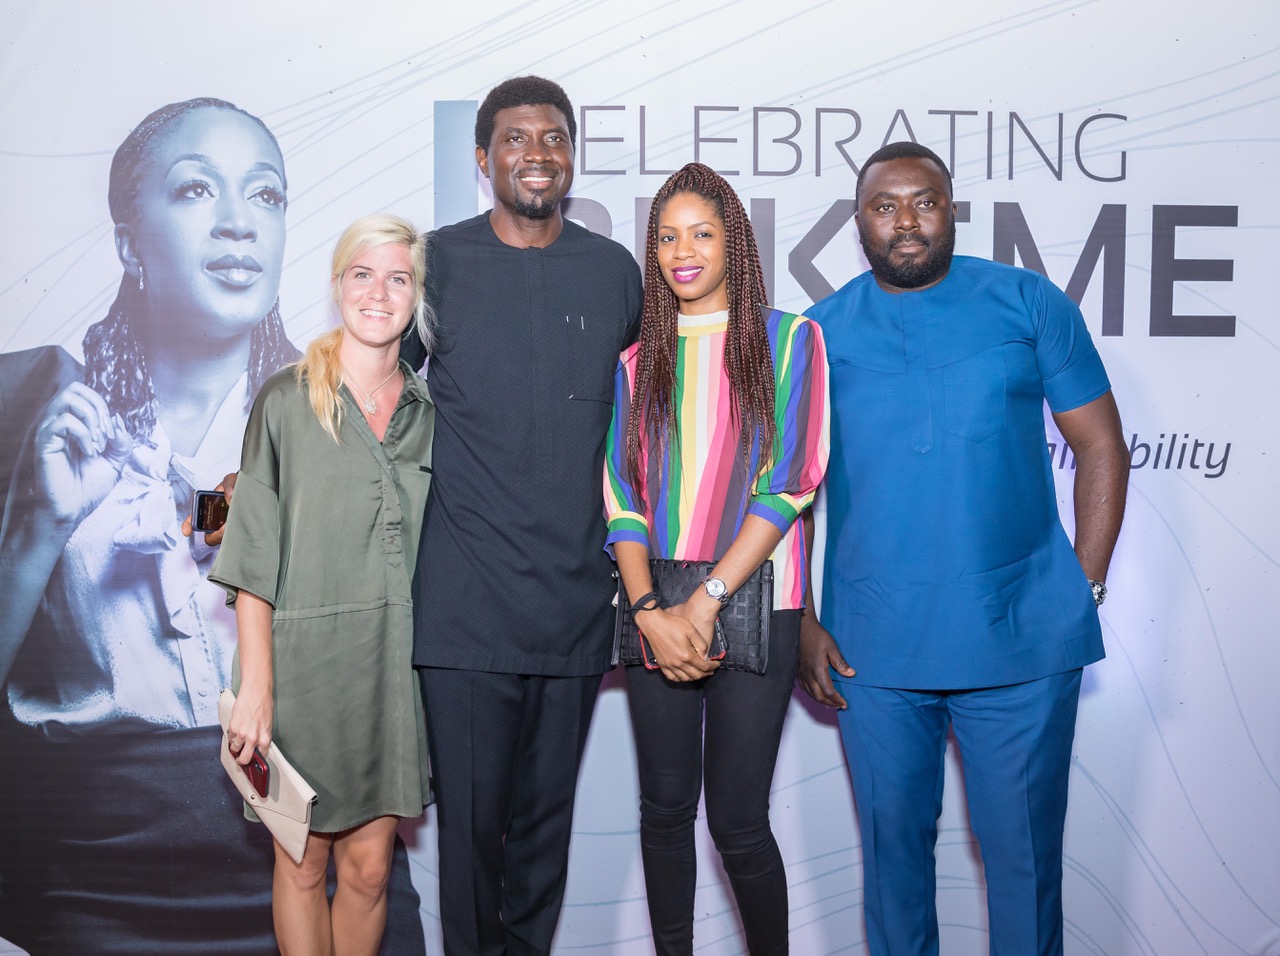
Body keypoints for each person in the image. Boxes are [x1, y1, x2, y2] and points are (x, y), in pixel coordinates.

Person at [0, 98, 422, 955]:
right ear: (128, 242)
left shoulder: (351, 410)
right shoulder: (32, 407)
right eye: (196, 191)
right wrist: (36, 529)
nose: (238, 225)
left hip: (311, 815)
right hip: (100, 866)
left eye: (265, 197)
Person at [797, 142, 1129, 956]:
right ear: (858, 222)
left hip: (1020, 639)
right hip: (870, 651)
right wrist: (800, 619)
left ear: (952, 210)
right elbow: (788, 492)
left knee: (1024, 865)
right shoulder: (816, 332)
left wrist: (1079, 586)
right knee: (893, 869)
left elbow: (1102, 448)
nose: (905, 222)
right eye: (884, 206)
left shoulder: (1028, 302)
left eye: (925, 202)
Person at [397, 76, 642, 955]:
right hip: (463, 611)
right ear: (482, 157)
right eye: (515, 138)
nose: (536, 155)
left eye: (553, 139)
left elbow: (647, 428)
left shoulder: (614, 270)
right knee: (469, 846)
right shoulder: (438, 263)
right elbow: (377, 392)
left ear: (571, 155)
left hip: (576, 609)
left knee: (543, 844)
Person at [603, 163, 829, 954]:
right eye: (666, 237)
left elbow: (790, 484)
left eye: (701, 232)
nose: (682, 250)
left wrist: (705, 603)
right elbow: (621, 501)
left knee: (737, 820)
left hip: (759, 600)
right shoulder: (637, 363)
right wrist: (650, 614)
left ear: (734, 241)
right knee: (664, 810)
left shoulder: (791, 338)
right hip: (655, 608)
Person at [209, 213, 434, 955]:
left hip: (390, 672)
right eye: (362, 275)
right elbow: (250, 559)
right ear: (338, 286)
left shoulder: (436, 416)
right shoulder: (284, 401)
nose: (379, 292)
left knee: (369, 870)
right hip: (296, 673)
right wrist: (257, 688)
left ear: (417, 295)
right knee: (301, 862)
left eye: (397, 277)